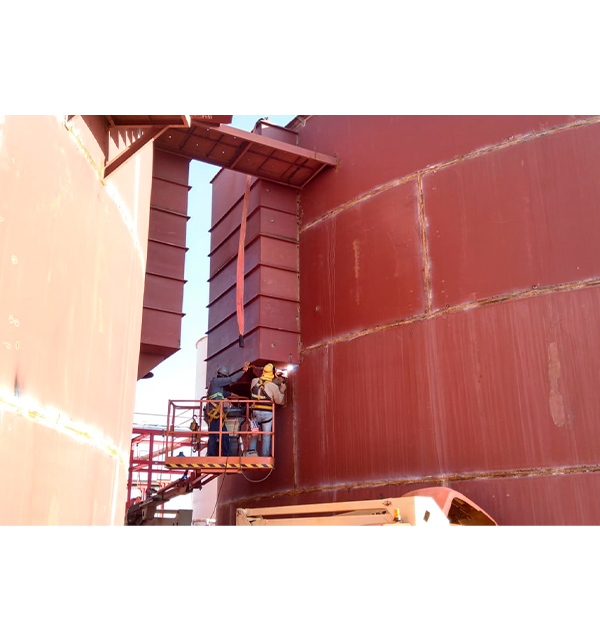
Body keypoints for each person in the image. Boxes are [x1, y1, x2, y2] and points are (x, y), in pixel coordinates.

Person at [206, 362, 250, 456]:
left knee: (223, 435)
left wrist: (234, 396)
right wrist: (243, 371)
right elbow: (232, 380)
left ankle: (225, 454)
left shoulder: (216, 385)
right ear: (223, 376)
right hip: (215, 415)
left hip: (217, 415)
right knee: (215, 435)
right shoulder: (216, 381)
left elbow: (223, 393)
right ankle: (212, 455)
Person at [248, 364, 286, 457]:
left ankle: (251, 454)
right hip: (267, 415)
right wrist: (282, 390)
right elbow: (279, 401)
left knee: (254, 434)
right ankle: (264, 456)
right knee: (266, 436)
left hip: (255, 414)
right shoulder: (273, 386)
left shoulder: (254, 381)